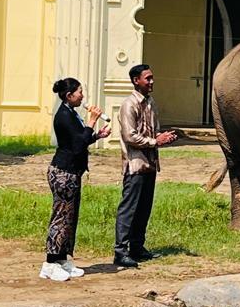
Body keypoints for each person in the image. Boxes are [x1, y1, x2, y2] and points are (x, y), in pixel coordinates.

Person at [42, 77, 111, 282]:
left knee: (70, 218)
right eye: (79, 92)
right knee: (61, 218)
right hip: (63, 173)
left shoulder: (72, 113)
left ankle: (63, 259)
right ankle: (50, 263)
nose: (83, 96)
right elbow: (77, 146)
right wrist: (91, 121)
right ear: (69, 95)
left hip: (73, 172)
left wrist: (96, 135)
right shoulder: (63, 116)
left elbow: (81, 138)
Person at [114, 64, 177, 268]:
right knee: (129, 209)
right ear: (136, 81)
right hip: (135, 165)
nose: (151, 82)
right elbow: (130, 136)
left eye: (152, 78)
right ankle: (120, 252)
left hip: (150, 164)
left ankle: (137, 248)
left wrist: (163, 137)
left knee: (144, 209)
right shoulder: (129, 105)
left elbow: (153, 132)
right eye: (147, 78)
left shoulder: (150, 103)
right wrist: (154, 142)